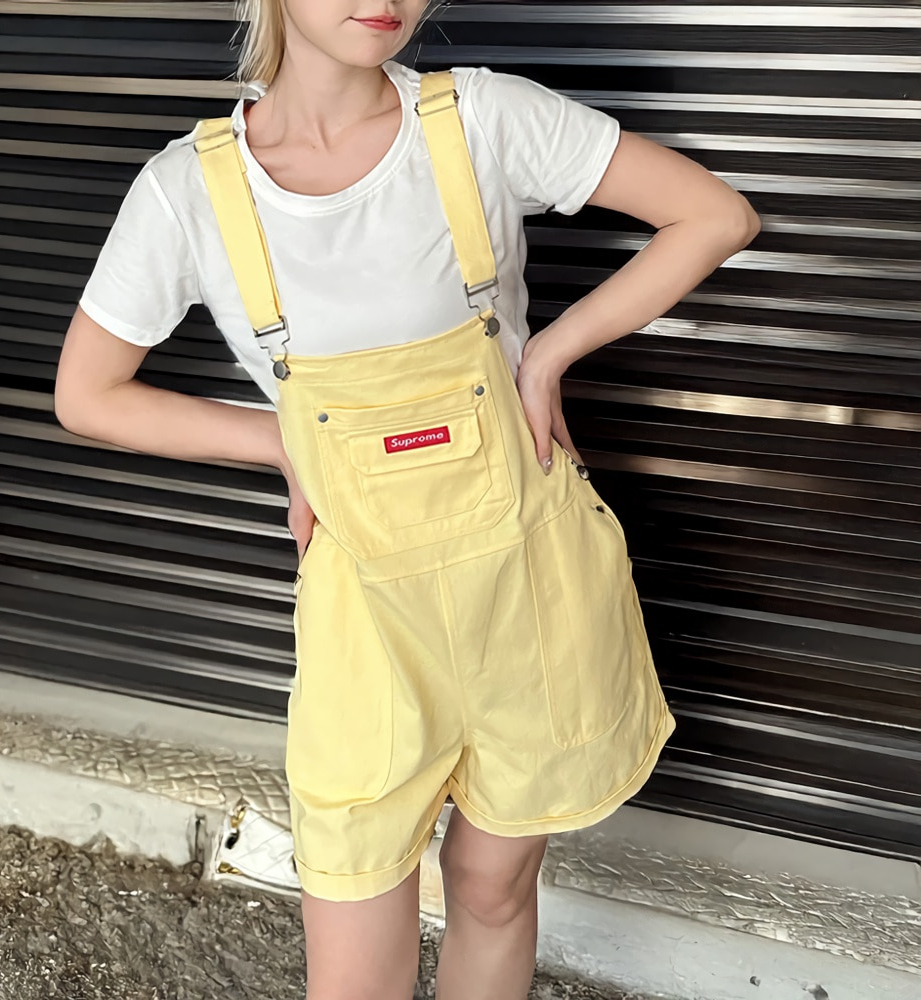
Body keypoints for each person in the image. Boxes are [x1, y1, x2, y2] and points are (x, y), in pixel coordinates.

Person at [54, 1, 761, 997]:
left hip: (531, 584)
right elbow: (87, 394)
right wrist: (286, 445)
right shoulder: (188, 190)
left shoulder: (483, 118)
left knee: (491, 886)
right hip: (368, 616)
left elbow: (717, 216)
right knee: (353, 953)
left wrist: (547, 355)